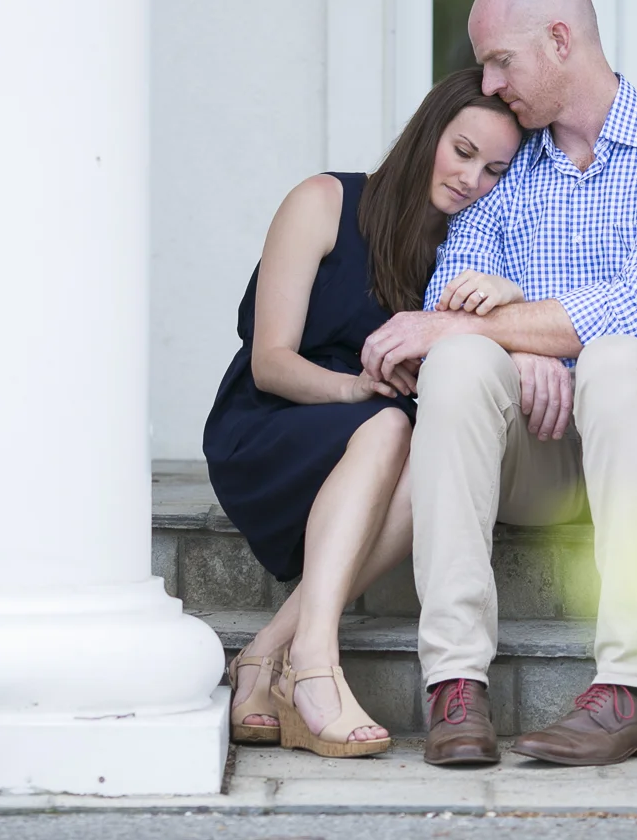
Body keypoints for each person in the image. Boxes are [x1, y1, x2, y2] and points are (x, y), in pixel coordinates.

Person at [360, 0, 637, 767]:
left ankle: (633, 691)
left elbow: (631, 311)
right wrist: (507, 343)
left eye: (500, 61)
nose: (488, 85)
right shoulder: (510, 169)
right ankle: (455, 683)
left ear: (561, 41)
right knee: (461, 363)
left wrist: (518, 329)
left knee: (613, 358)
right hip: (546, 449)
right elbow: (448, 299)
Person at [202, 68, 523, 757]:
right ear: (426, 134)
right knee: (394, 424)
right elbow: (270, 362)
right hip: (271, 427)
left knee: (419, 451)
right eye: (463, 151)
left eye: (494, 170)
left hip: (378, 451)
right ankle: (315, 663)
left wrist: (502, 298)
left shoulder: (466, 253)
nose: (471, 180)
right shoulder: (323, 201)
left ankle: (266, 654)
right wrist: (357, 389)